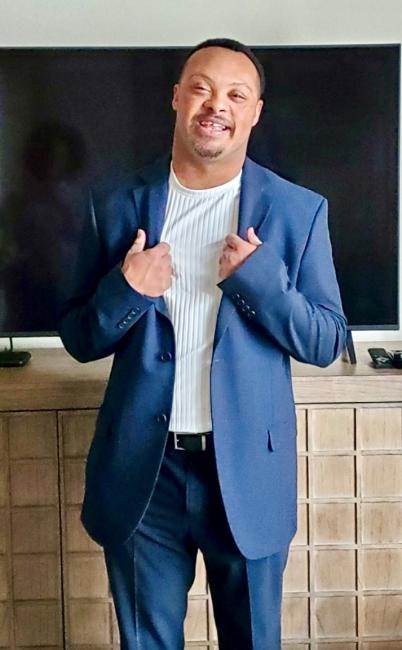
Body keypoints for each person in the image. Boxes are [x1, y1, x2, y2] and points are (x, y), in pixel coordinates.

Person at [58, 38, 347, 650]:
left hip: (245, 473)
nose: (216, 105)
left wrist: (261, 281)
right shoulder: (114, 205)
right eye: (201, 88)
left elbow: (326, 341)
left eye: (235, 94)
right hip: (144, 471)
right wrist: (126, 290)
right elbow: (80, 337)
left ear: (255, 112)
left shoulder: (299, 211)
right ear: (177, 98)